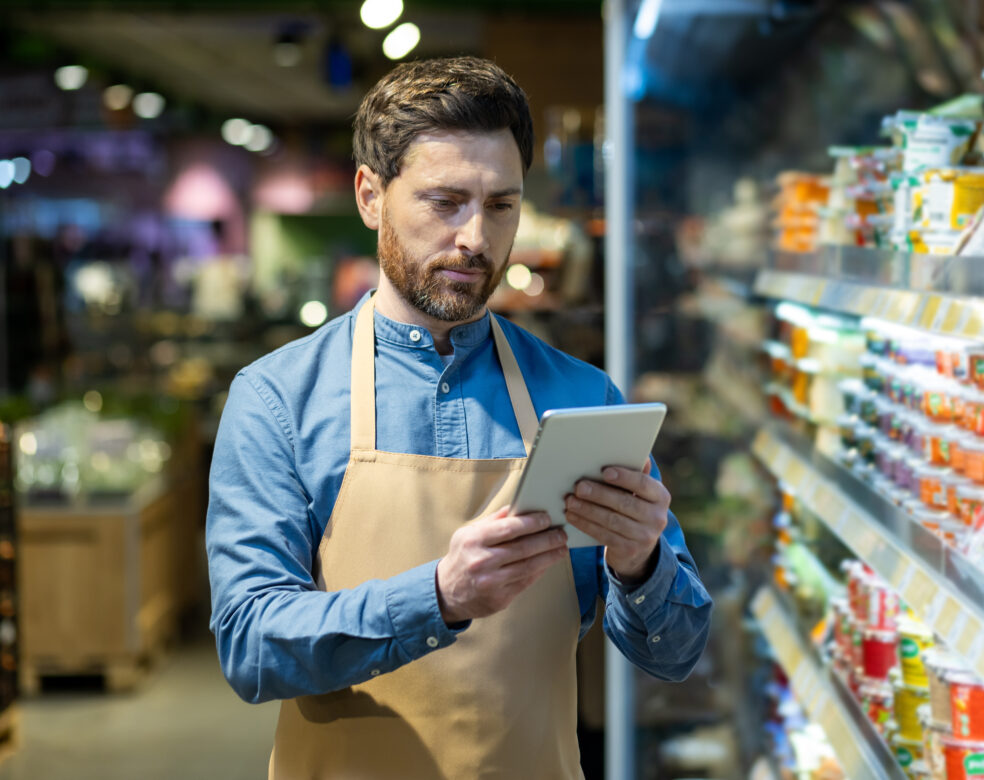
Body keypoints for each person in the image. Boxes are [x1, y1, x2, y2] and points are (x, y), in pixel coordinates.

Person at [206, 56, 712, 779]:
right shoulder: (279, 399)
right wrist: (439, 597)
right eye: (446, 202)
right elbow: (251, 648)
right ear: (370, 195)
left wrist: (641, 564)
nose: (477, 238)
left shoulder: (584, 398)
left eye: (501, 205)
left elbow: (678, 651)